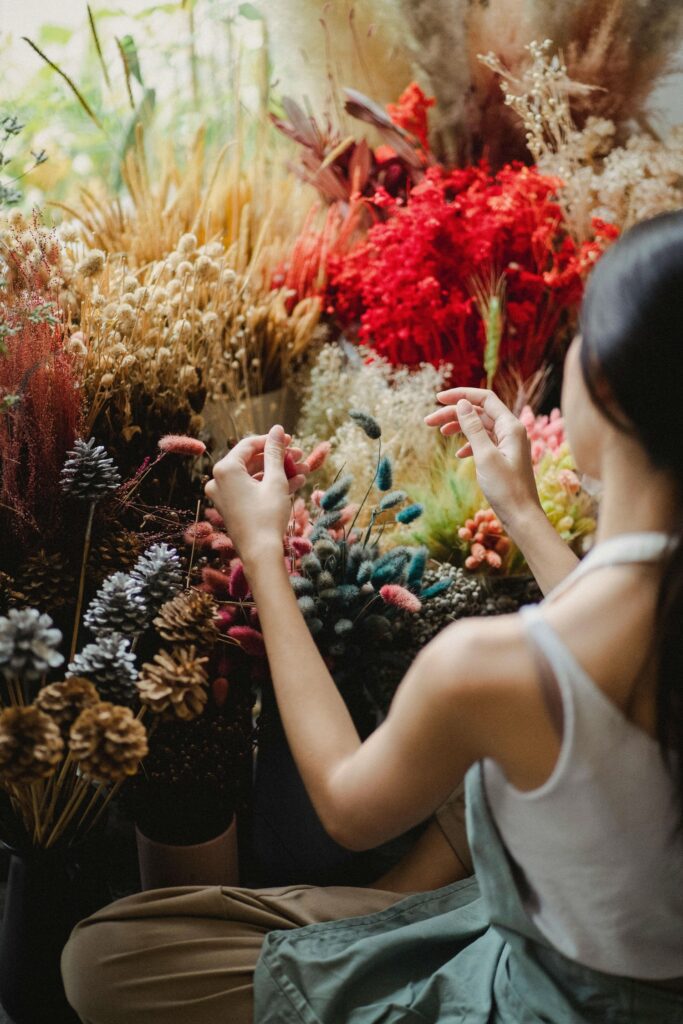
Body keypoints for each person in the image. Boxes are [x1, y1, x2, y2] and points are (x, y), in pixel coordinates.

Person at [62, 211, 683, 1024]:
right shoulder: (619, 629)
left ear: (598, 388)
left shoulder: (490, 669)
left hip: (539, 987)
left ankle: (373, 934)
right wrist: (523, 515)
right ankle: (380, 918)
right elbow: (625, 646)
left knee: (100, 958)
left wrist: (262, 557)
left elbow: (349, 808)